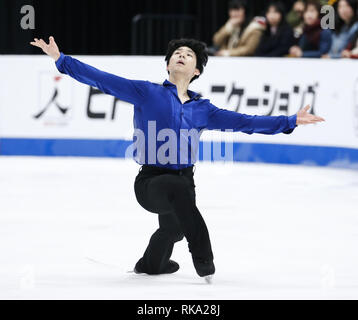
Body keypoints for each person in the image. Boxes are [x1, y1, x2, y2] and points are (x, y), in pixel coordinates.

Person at [30, 36, 325, 281]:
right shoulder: (147, 92)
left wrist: (289, 120)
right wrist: (61, 59)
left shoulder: (203, 109)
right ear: (168, 64)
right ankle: (204, 263)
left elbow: (246, 122)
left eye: (188, 55)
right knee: (179, 193)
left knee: (173, 229)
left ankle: (150, 265)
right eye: (176, 53)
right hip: (150, 182)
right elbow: (102, 80)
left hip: (185, 179)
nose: (181, 56)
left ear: (196, 70)